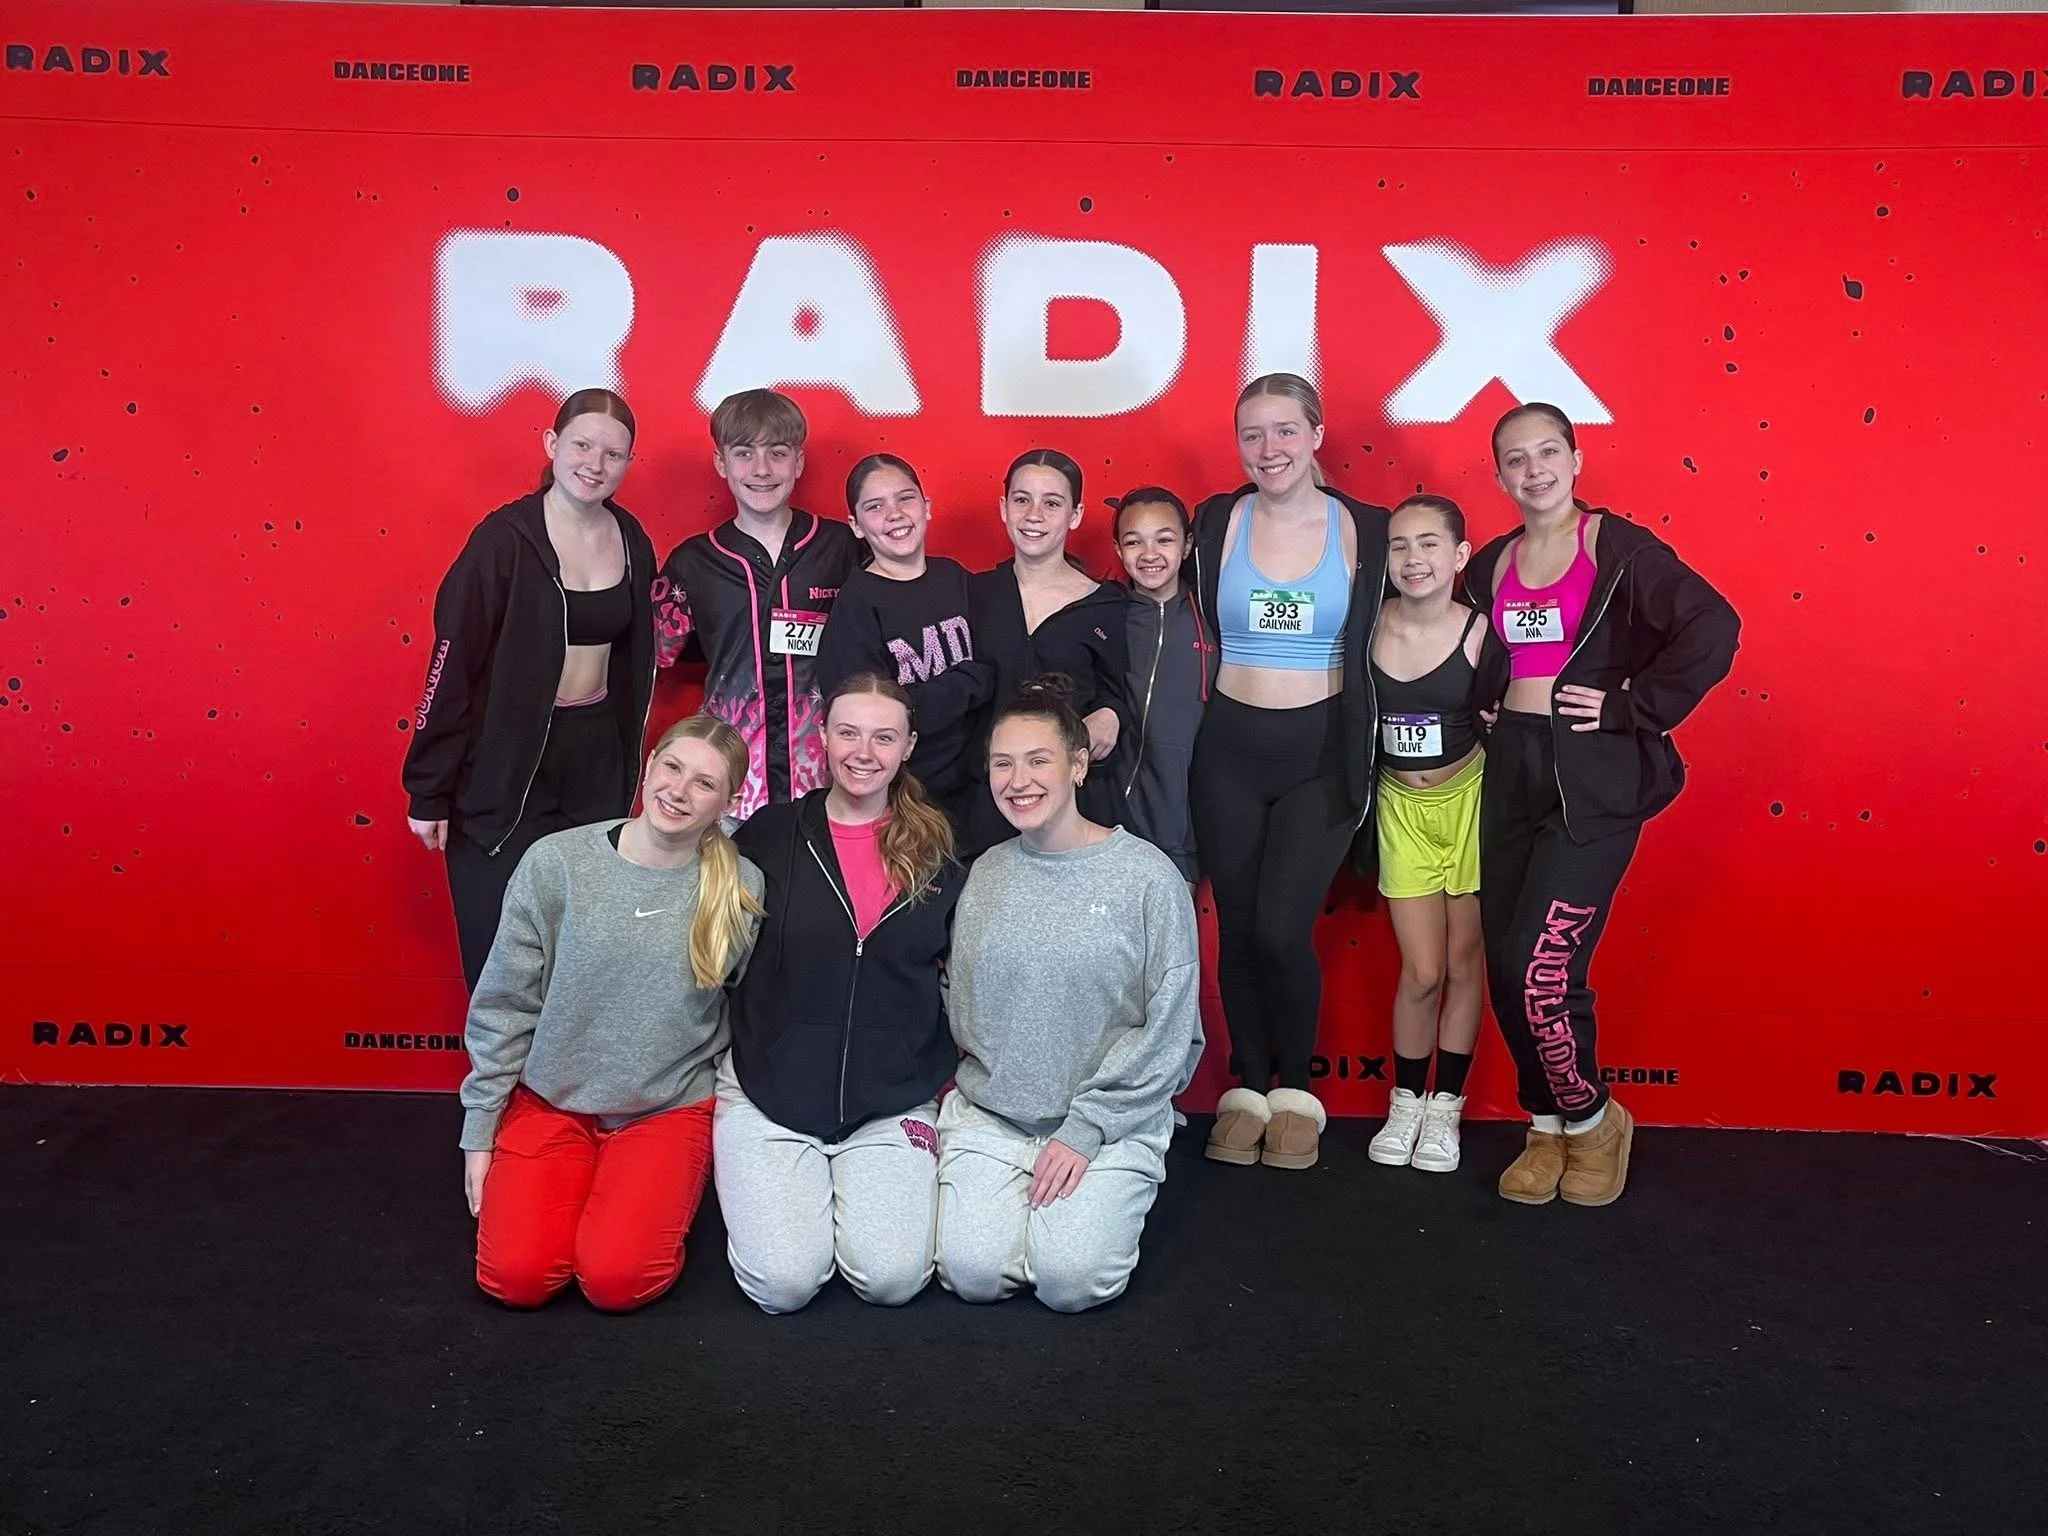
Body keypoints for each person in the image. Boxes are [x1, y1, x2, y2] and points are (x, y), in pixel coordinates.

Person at [1467, 402, 1739, 1208]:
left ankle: (1592, 1120)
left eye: (1548, 453)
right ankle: (1546, 1123)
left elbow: (1713, 627)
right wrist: (1487, 704)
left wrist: (1629, 703)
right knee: (1504, 962)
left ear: (1576, 459)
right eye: (1516, 460)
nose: (1534, 470)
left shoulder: (1617, 547)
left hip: (1593, 778)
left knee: (1539, 967)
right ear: (1499, 475)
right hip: (1511, 769)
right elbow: (1484, 651)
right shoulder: (1491, 561)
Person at [456, 715, 765, 1312]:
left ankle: (632, 1197)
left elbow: (748, 1010)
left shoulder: (739, 887)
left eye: (704, 783)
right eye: (672, 768)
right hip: (553, 1100)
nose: (679, 790)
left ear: (728, 801)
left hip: (666, 1109)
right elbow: (505, 1006)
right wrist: (479, 1133)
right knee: (515, 1278)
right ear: (648, 767)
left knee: (618, 1281)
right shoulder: (559, 864)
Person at [935, 678, 1202, 1313]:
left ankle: (1059, 1230)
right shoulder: (987, 873)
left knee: (1071, 1283)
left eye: (1038, 760)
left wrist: (1087, 1128)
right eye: (1003, 763)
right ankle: (1020, 1220)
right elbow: (962, 1005)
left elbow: (1172, 1027)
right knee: (971, 1276)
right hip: (995, 1117)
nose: (1018, 779)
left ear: (1078, 766)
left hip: (1107, 1122)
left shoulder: (1146, 877)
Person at [717, 673, 968, 1313]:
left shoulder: (939, 848)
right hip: (770, 1090)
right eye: (849, 733)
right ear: (822, 736)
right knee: (783, 1285)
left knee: (891, 1280)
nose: (864, 752)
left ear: (908, 746)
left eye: (884, 737)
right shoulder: (768, 835)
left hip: (893, 1096)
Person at [1190, 374, 1391, 1171]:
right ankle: (1247, 1090)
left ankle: (1296, 1094)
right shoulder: (1215, 520)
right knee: (1238, 932)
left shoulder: (1366, 529)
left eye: (1283, 431)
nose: (1268, 449)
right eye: (1252, 435)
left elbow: (1419, 610)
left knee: (1282, 929)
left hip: (1320, 751)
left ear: (1315, 433)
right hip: (1229, 750)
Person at [404, 388, 658, 990]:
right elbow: (451, 666)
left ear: (628, 463)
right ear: (552, 444)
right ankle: (497, 1084)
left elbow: (642, 654)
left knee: (585, 952)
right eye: (582, 445)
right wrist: (428, 790)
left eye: (614, 454)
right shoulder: (503, 541)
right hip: (509, 762)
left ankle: (565, 1087)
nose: (595, 464)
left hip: (595, 759)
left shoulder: (632, 539)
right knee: (503, 955)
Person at [654, 388, 861, 822]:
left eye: (778, 453)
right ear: (721, 463)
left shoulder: (841, 547)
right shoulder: (693, 562)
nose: (762, 470)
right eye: (745, 453)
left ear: (799, 463)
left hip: (828, 782)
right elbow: (654, 654)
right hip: (728, 787)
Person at [1365, 496, 1489, 1175]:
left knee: (1466, 966)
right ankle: (1406, 1101)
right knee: (1423, 970)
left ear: (1460, 556)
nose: (1415, 558)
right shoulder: (1368, 627)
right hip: (1399, 809)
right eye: (1400, 546)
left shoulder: (1479, 634)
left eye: (1430, 544)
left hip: (1470, 802)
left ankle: (1447, 1109)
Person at [964, 451, 1129, 858]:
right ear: (1004, 508)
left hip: (1072, 807)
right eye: (1022, 500)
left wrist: (1112, 714)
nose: (1034, 514)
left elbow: (1126, 694)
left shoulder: (1108, 605)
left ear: (1075, 515)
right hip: (980, 804)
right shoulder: (969, 594)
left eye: (1052, 503)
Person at [815, 454, 993, 831]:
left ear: (926, 507)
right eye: (875, 506)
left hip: (978, 791)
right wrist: (969, 682)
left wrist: (938, 694)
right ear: (857, 525)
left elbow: (996, 667)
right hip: (906, 804)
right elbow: (881, 721)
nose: (894, 514)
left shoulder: (954, 577)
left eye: (905, 498)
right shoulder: (857, 604)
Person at [1114, 487, 1211, 886]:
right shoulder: (1102, 614)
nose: (1149, 554)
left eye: (1164, 539)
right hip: (1108, 825)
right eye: (1134, 542)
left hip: (1182, 825)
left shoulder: (1212, 613)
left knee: (1172, 943)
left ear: (1187, 545)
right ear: (1118, 550)